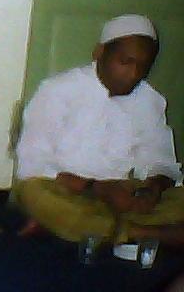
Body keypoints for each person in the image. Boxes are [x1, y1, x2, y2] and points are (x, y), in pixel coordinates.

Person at [14, 14, 184, 245]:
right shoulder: (57, 91)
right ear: (100, 52)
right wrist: (97, 188)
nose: (134, 74)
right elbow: (31, 163)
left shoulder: (150, 101)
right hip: (70, 191)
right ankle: (146, 234)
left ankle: (99, 231)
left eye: (143, 66)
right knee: (34, 193)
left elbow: (161, 160)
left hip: (124, 196)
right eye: (125, 62)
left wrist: (151, 191)